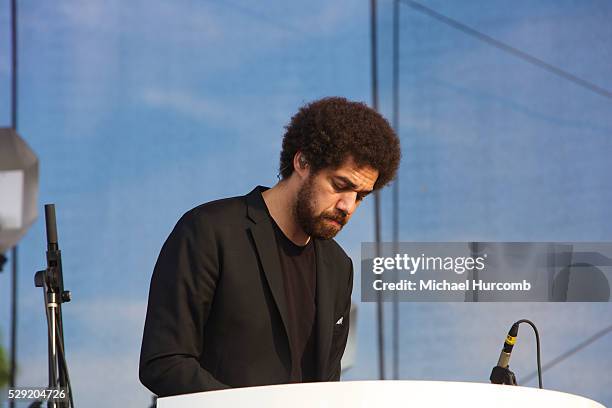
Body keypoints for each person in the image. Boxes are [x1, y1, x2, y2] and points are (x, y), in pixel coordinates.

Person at [139, 96, 401, 397]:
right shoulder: (210, 230)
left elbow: (327, 389)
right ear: (302, 162)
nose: (348, 206)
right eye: (340, 186)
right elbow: (165, 362)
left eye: (361, 196)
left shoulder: (339, 266)